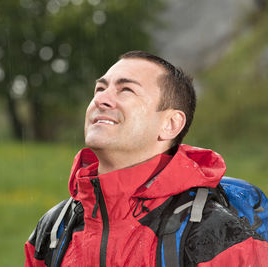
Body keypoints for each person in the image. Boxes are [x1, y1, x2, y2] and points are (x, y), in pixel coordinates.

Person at [24, 51, 268, 266]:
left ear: (170, 124)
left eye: (126, 90)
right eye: (100, 88)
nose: (101, 99)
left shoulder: (218, 237)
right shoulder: (53, 231)